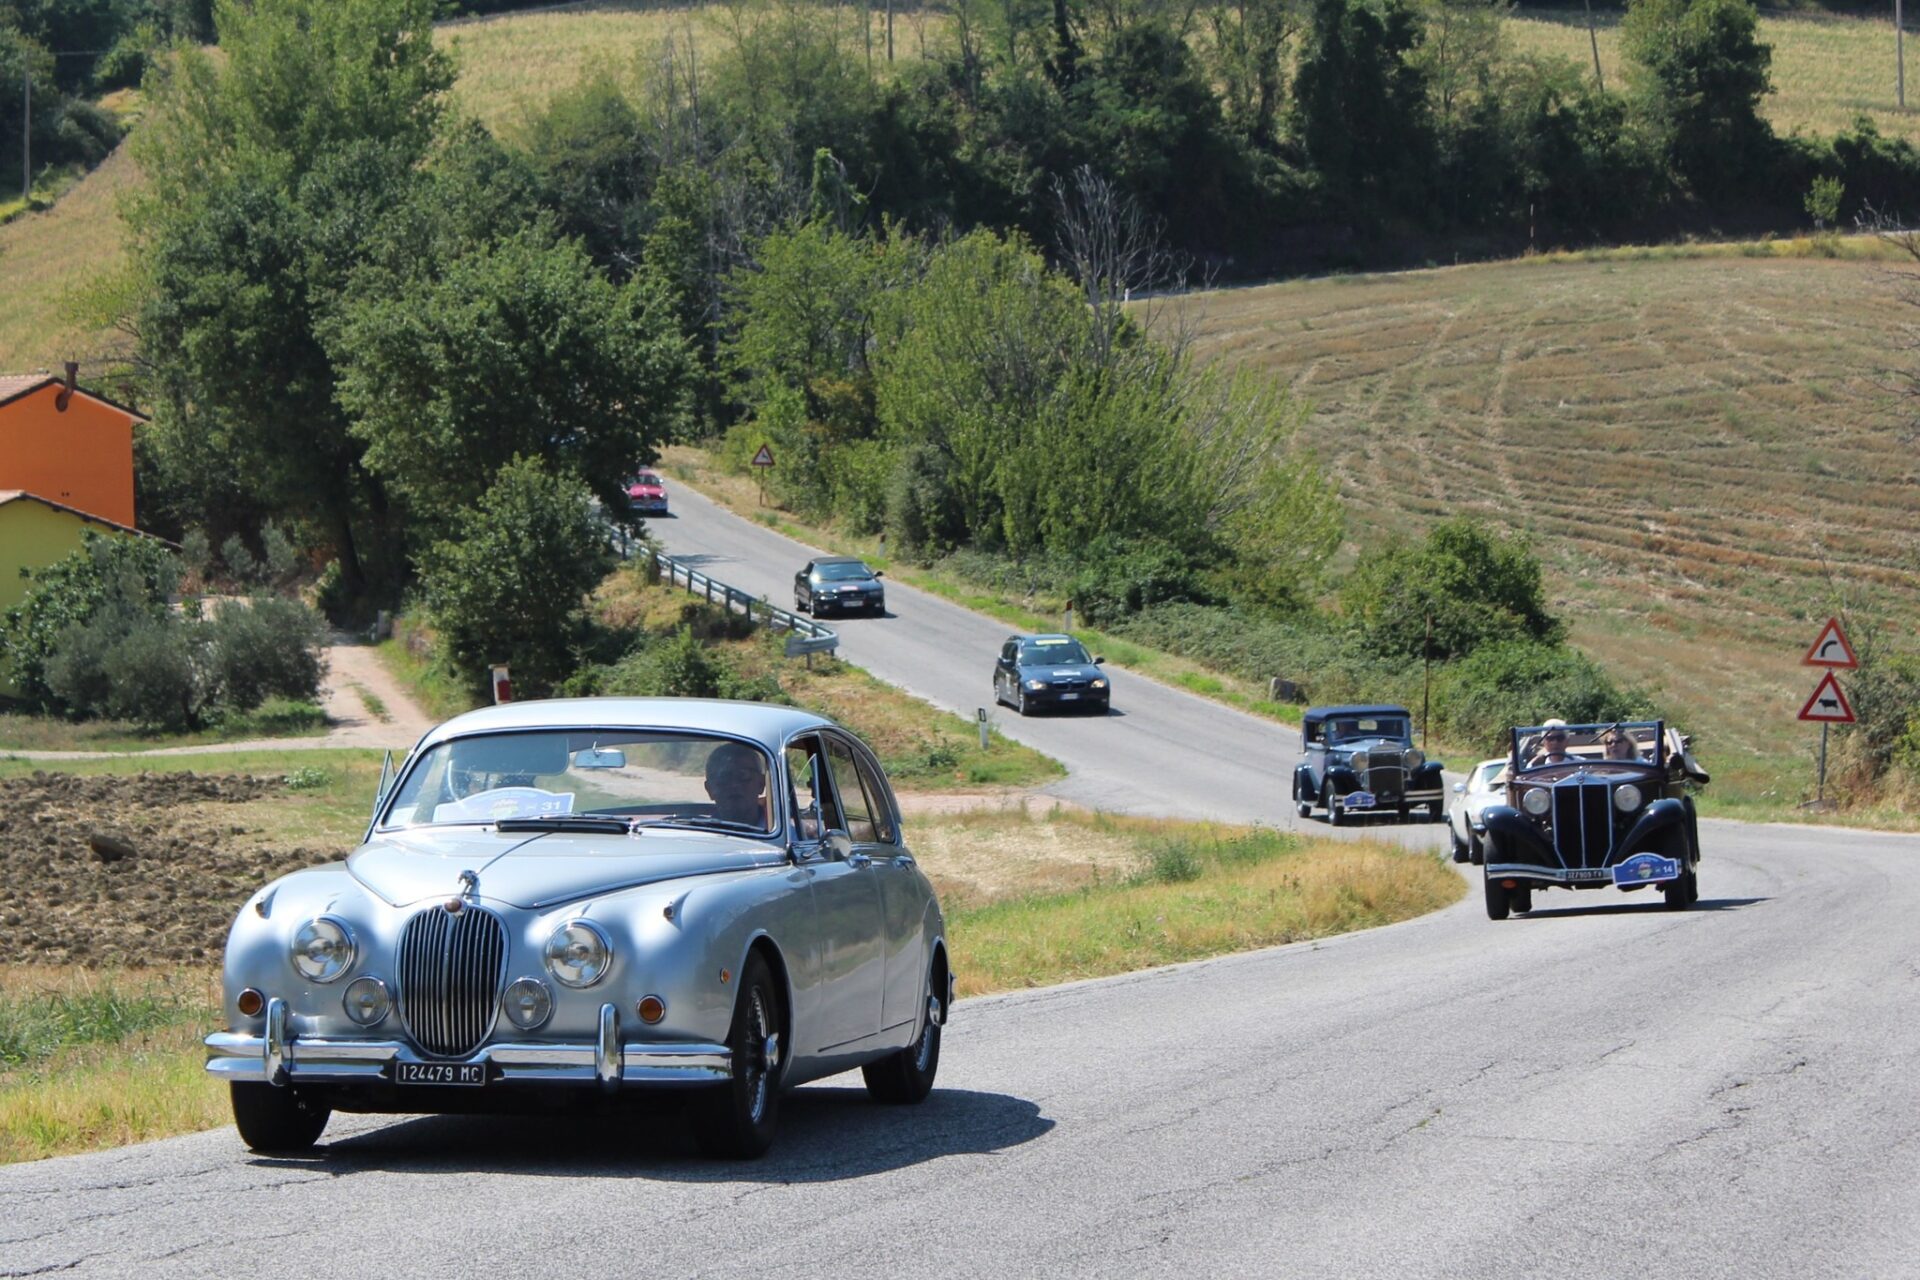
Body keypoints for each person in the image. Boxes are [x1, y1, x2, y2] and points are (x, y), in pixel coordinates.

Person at [704, 742, 769, 827]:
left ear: (761, 784)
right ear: (709, 789)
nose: (734, 785)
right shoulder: (699, 836)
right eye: (723, 777)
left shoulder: (789, 838)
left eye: (743, 775)